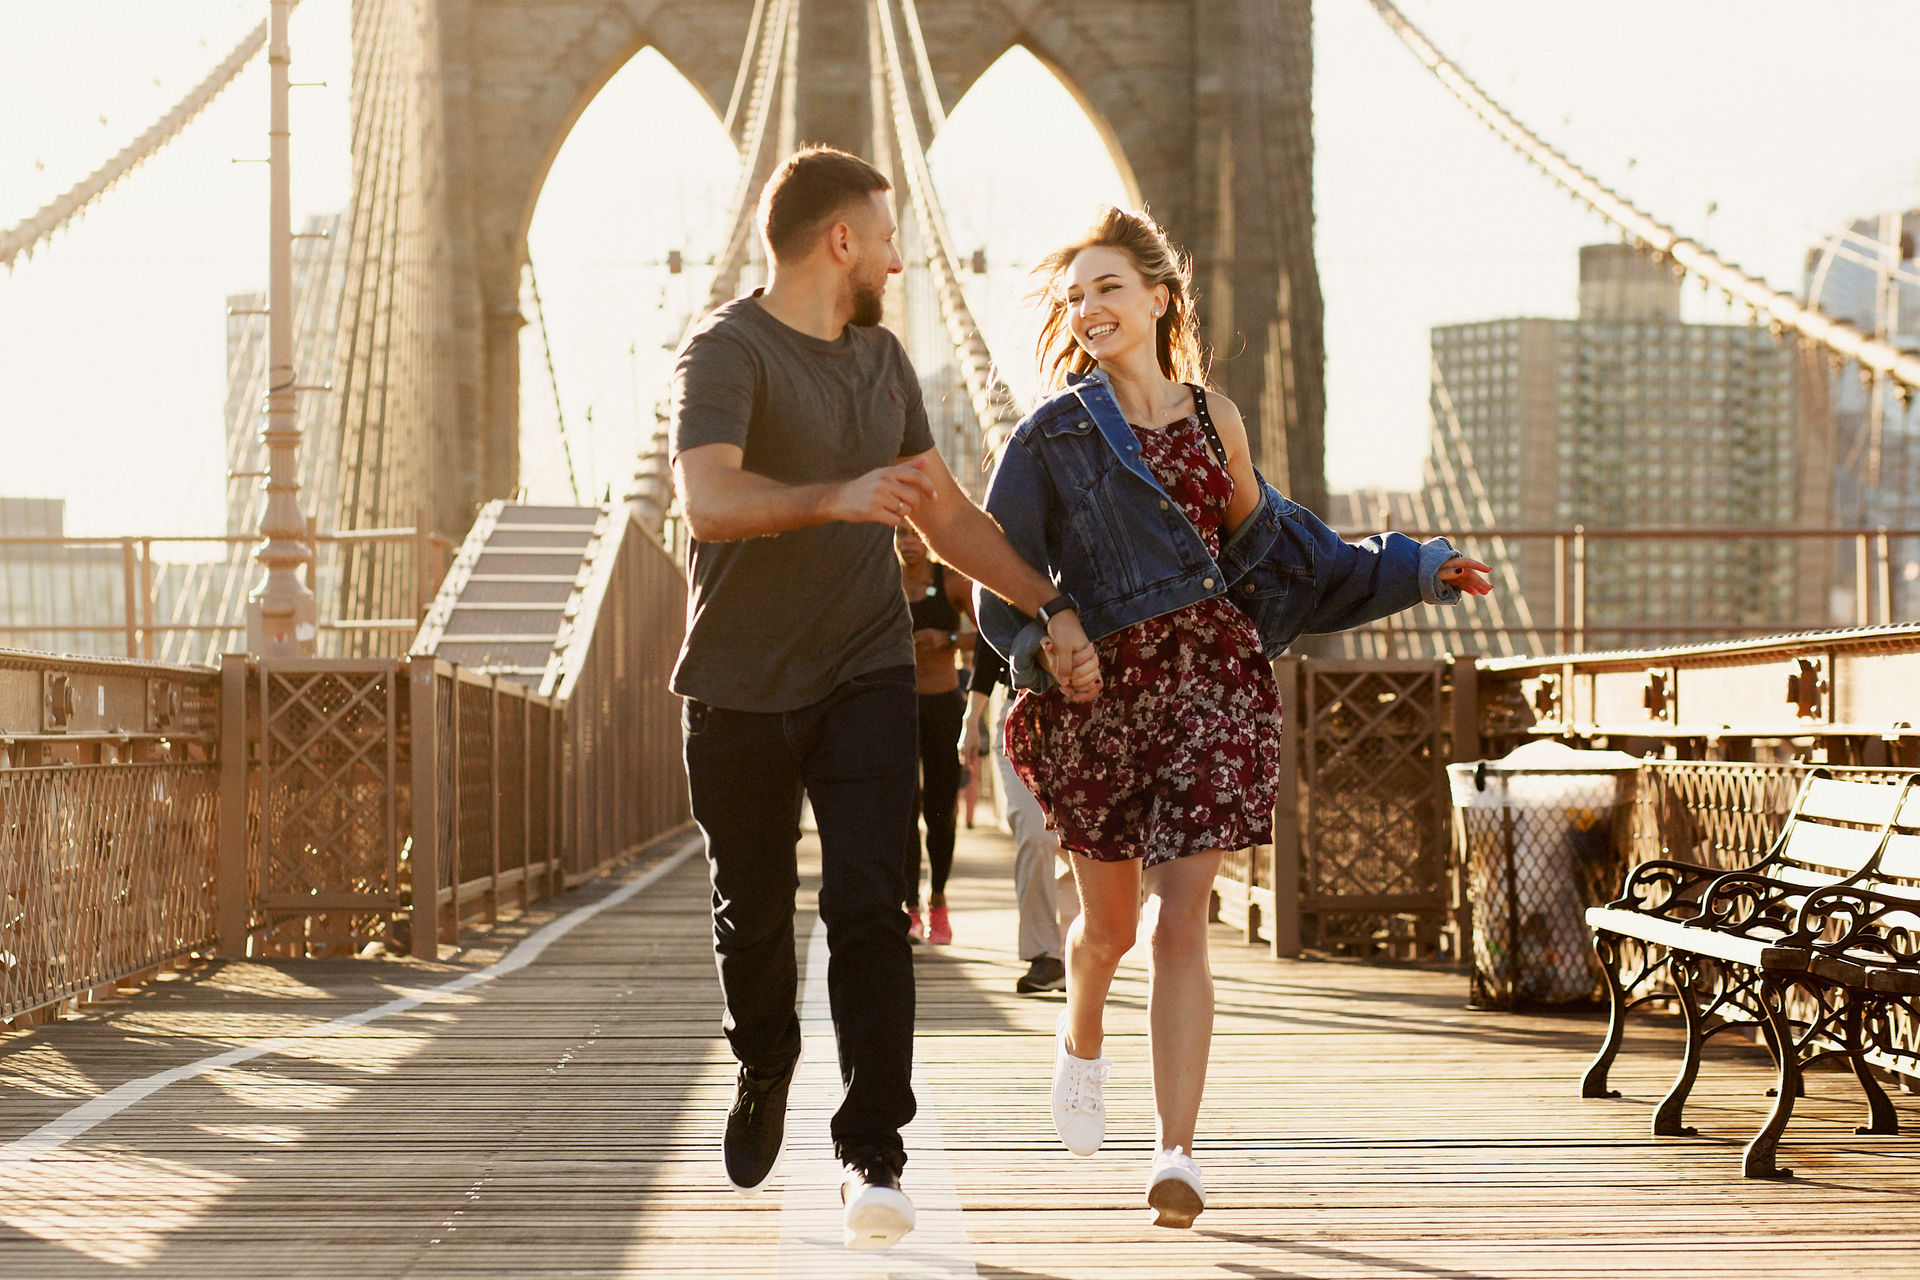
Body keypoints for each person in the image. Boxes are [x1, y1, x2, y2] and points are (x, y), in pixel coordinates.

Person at [974, 206, 1492, 1230]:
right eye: (1074, 295)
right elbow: (1004, 578)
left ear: (1160, 298)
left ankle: (1176, 1151)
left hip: (1212, 687)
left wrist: (1420, 565)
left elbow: (1288, 550)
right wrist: (1053, 632)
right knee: (1110, 927)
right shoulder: (1049, 436)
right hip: (1105, 699)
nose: (1088, 308)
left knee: (1178, 919)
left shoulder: (1217, 417)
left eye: (1108, 287)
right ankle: (1082, 1035)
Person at [669, 145, 1100, 1252]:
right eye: (890, 234)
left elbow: (945, 515)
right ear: (840, 240)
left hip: (865, 671)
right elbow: (708, 498)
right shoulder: (725, 350)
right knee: (751, 916)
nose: (906, 258)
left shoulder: (884, 365)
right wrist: (836, 496)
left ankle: (874, 1148)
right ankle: (765, 1062)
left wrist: (1051, 605)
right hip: (738, 686)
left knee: (871, 906)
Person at [965, 640, 1078, 993]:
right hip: (1019, 707)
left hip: (1085, 706)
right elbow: (988, 646)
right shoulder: (1007, 589)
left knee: (1080, 840)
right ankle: (1044, 955)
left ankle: (1077, 951)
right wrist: (971, 719)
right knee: (1036, 833)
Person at [896, 524, 972, 945]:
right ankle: (909, 907)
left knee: (941, 809)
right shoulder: (884, 580)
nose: (908, 543)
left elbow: (985, 637)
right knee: (904, 806)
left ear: (928, 537)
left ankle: (938, 902)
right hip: (900, 707)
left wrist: (946, 638)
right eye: (900, 534)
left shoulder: (952, 581)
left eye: (914, 534)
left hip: (943, 702)